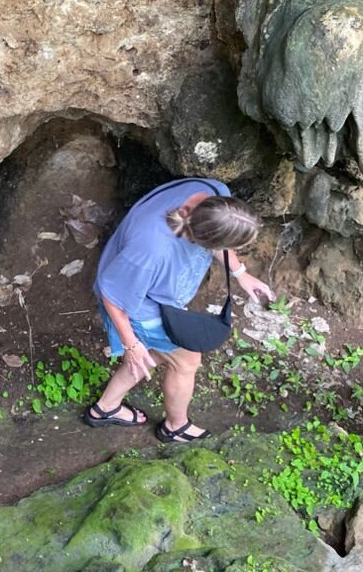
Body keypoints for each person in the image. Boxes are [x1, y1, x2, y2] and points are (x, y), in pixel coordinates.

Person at [86, 177, 275, 442]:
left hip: (151, 289)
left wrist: (241, 273)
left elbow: (219, 242)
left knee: (157, 354)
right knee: (186, 360)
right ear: (202, 240)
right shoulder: (151, 249)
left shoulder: (214, 194)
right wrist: (131, 345)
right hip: (139, 303)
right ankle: (175, 426)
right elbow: (113, 296)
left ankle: (105, 408)